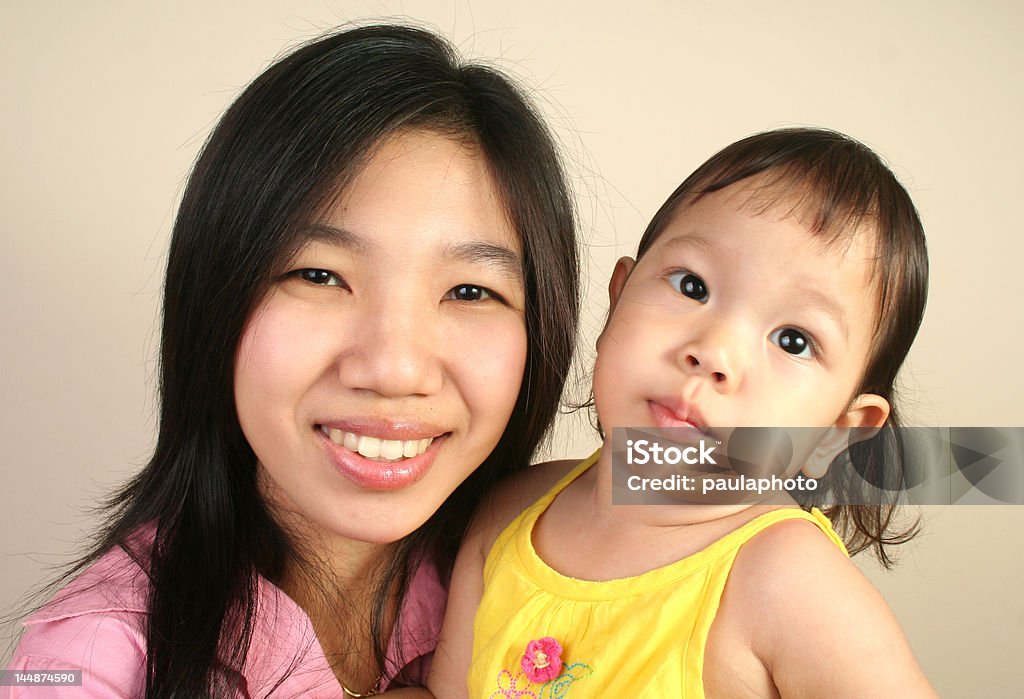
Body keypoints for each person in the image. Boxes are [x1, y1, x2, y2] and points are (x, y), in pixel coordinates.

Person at [4, 23, 579, 698]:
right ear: (214, 295)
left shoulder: (538, 531)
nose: (394, 369)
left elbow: (734, 477)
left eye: (471, 290)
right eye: (318, 275)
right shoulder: (85, 657)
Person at [397, 128, 939, 697]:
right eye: (692, 285)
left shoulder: (791, 588)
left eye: (793, 340)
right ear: (618, 300)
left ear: (836, 434)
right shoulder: (510, 510)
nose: (713, 352)